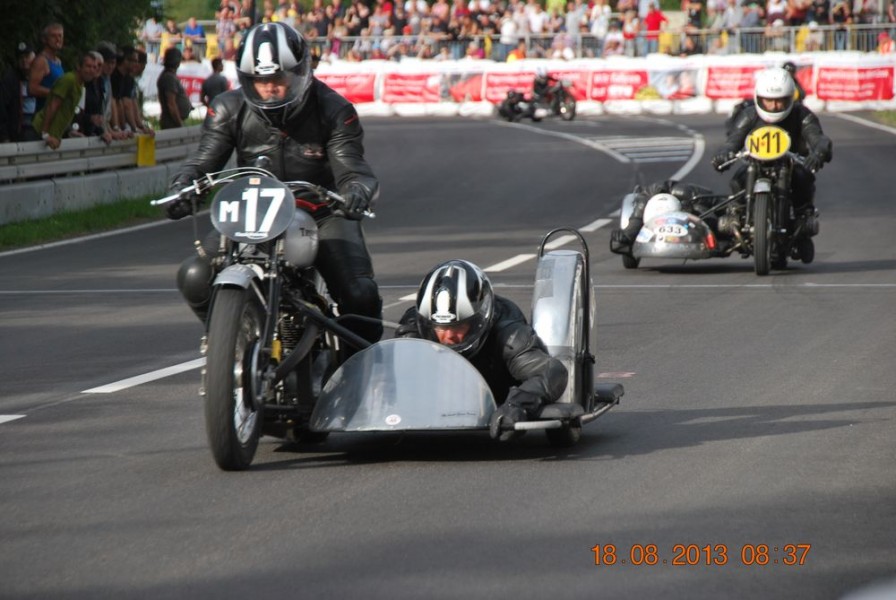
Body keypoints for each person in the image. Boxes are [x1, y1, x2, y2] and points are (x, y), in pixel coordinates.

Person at [165, 21, 383, 345]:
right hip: (254, 211)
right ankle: (232, 341)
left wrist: (356, 192)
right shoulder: (227, 108)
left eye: (278, 78)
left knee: (359, 295)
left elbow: (353, 170)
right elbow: (203, 162)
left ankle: (355, 380)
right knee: (194, 276)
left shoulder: (334, 110)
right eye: (259, 79)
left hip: (321, 213)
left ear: (300, 72)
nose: (269, 88)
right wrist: (182, 185)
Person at [395, 260, 568, 441]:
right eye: (439, 327)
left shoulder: (510, 336)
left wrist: (517, 405)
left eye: (458, 326)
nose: (448, 336)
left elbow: (551, 371)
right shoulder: (413, 329)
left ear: (479, 320)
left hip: (498, 393)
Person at [711, 66, 831, 259]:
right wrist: (724, 154)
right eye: (769, 100)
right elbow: (733, 140)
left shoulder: (802, 115)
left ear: (790, 98)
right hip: (756, 163)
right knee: (737, 179)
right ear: (759, 98)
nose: (774, 106)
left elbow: (819, 138)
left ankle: (802, 222)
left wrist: (819, 152)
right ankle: (739, 216)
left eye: (780, 101)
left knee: (804, 178)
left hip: (791, 165)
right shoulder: (749, 114)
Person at [32, 52, 100, 150]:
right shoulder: (69, 80)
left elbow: (66, 112)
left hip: (54, 136)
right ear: (78, 66)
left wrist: (69, 131)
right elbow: (53, 105)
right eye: (88, 66)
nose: (91, 70)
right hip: (39, 132)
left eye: (94, 67)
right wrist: (45, 134)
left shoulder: (80, 85)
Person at [0, 42, 37, 143]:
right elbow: (2, 108)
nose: (24, 60)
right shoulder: (10, 79)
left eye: (27, 56)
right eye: (21, 57)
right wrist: (4, 136)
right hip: (19, 130)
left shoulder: (43, 76)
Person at [29, 23, 65, 114]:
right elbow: (32, 88)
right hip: (43, 115)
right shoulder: (41, 61)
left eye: (60, 36)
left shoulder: (58, 61)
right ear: (45, 39)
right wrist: (55, 94)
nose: (58, 39)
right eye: (53, 36)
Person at [157, 47, 193, 129]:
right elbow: (171, 103)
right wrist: (179, 124)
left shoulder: (170, 76)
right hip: (172, 123)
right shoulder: (169, 77)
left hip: (174, 122)